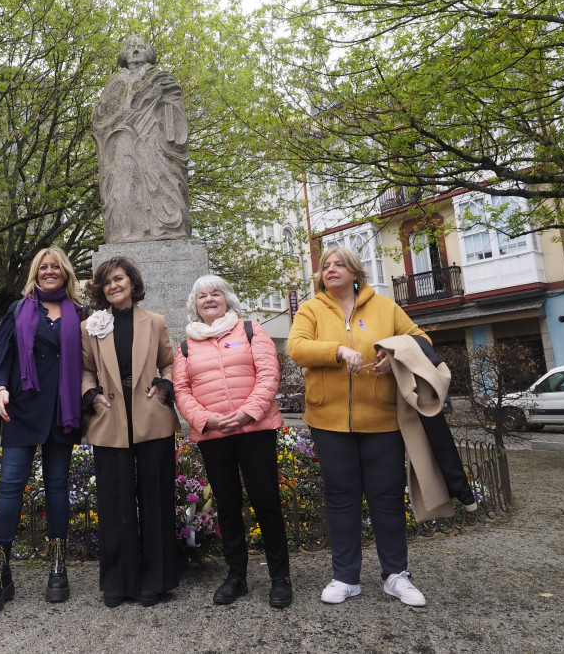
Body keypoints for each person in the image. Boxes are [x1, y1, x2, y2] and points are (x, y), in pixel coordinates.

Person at [287, 246, 430, 607]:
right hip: (328, 420)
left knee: (386, 498)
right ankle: (346, 577)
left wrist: (393, 354)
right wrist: (337, 351)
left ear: (355, 272)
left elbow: (422, 340)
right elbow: (297, 347)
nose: (330, 270)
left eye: (339, 265)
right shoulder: (311, 308)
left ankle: (396, 575)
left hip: (382, 419)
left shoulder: (384, 307)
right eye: (325, 266)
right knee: (340, 498)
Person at [173, 275, 293, 608]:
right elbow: (181, 390)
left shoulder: (251, 330)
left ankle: (280, 577)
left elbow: (269, 374)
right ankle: (236, 575)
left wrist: (247, 413)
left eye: (215, 293)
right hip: (214, 436)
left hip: (255, 430)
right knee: (226, 506)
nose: (209, 299)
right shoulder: (185, 346)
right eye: (201, 296)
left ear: (227, 299)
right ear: (194, 306)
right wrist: (204, 419)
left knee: (266, 502)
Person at [0, 246, 87, 616]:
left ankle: (58, 564)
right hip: (22, 409)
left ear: (66, 272)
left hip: (62, 411)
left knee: (58, 484)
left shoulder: (81, 314)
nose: (50, 271)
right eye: (44, 267)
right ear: (35, 273)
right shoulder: (18, 309)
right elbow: (1, 358)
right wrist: (0, 388)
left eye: (56, 266)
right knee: (10, 485)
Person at [81, 256, 180, 608]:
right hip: (110, 419)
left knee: (155, 500)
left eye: (119, 279)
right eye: (107, 282)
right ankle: (118, 582)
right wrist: (90, 397)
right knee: (115, 502)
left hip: (151, 418)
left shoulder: (154, 322)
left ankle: (157, 579)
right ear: (101, 289)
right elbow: (86, 370)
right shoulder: (91, 326)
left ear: (132, 283)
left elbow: (169, 361)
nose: (113, 286)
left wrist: (164, 386)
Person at [91, 34, 191, 243]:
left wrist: (155, 104)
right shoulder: (115, 84)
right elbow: (101, 118)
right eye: (130, 47)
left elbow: (176, 116)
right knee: (124, 186)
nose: (135, 51)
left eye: (140, 47)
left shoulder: (162, 79)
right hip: (122, 144)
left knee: (160, 183)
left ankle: (165, 229)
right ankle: (126, 232)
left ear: (149, 53)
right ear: (123, 54)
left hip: (154, 143)